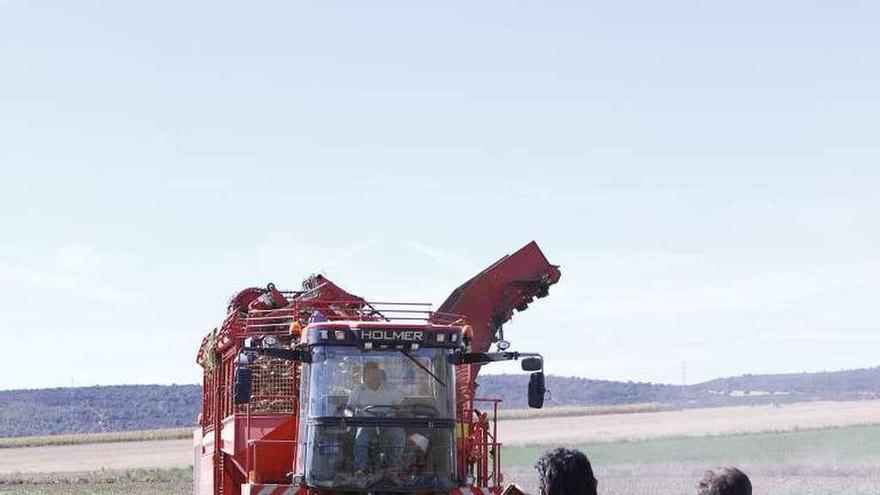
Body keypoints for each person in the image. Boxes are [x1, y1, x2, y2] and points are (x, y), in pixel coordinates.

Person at [347, 361, 405, 473]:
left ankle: (394, 468)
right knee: (361, 438)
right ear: (364, 376)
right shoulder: (358, 390)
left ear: (380, 375)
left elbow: (401, 405)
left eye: (375, 374)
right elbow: (349, 408)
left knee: (399, 435)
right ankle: (361, 468)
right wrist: (350, 417)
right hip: (367, 423)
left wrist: (401, 411)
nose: (372, 377)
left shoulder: (390, 389)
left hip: (389, 422)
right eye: (369, 374)